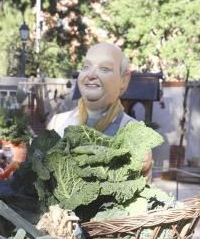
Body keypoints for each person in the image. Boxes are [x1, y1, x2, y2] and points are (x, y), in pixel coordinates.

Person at [47, 42, 152, 174]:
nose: (90, 75)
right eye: (86, 67)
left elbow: (143, 191)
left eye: (104, 68)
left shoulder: (137, 136)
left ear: (124, 80)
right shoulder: (57, 123)